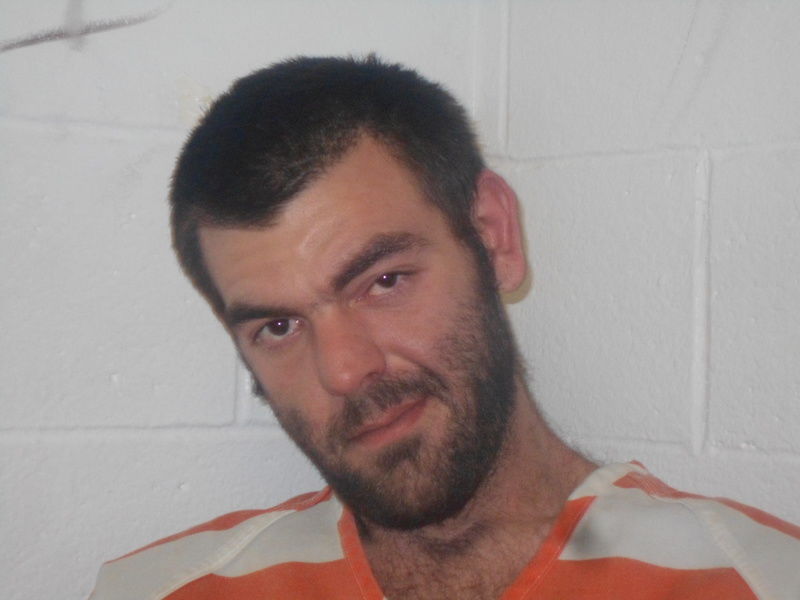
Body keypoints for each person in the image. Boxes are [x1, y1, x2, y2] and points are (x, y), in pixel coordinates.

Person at [90, 56, 800, 600]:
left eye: (383, 282)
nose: (344, 370)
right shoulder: (159, 591)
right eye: (278, 326)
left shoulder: (760, 580)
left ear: (493, 236)